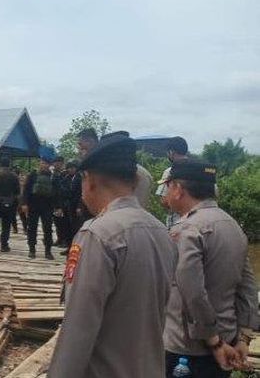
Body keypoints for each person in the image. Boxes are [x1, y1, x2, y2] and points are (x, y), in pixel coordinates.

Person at [48, 133, 176, 378]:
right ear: (135, 181)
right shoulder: (162, 232)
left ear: (90, 180)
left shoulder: (97, 235)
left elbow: (79, 328)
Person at [162, 160, 258, 377]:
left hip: (188, 350)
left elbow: (193, 293)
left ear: (177, 189)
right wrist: (243, 337)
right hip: (229, 344)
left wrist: (214, 343)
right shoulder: (232, 225)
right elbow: (248, 288)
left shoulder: (186, 231)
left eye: (167, 185)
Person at [21, 157, 60, 259]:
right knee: (31, 228)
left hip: (47, 206)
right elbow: (26, 189)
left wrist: (58, 207)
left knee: (48, 228)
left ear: (49, 165)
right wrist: (24, 203)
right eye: (42, 163)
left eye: (45, 163)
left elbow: (57, 192)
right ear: (39, 164)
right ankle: (32, 250)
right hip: (33, 205)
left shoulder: (53, 177)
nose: (43, 165)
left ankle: (48, 251)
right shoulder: (33, 175)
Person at [155, 136, 189, 228]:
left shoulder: (170, 172)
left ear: (171, 152)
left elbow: (164, 201)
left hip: (176, 224)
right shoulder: (200, 170)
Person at [51, 156, 69, 247]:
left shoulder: (65, 173)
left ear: (62, 163)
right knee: (57, 221)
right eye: (55, 162)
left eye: (57, 163)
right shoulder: (54, 174)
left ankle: (65, 240)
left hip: (63, 201)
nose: (55, 164)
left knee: (63, 222)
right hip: (54, 201)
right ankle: (59, 239)